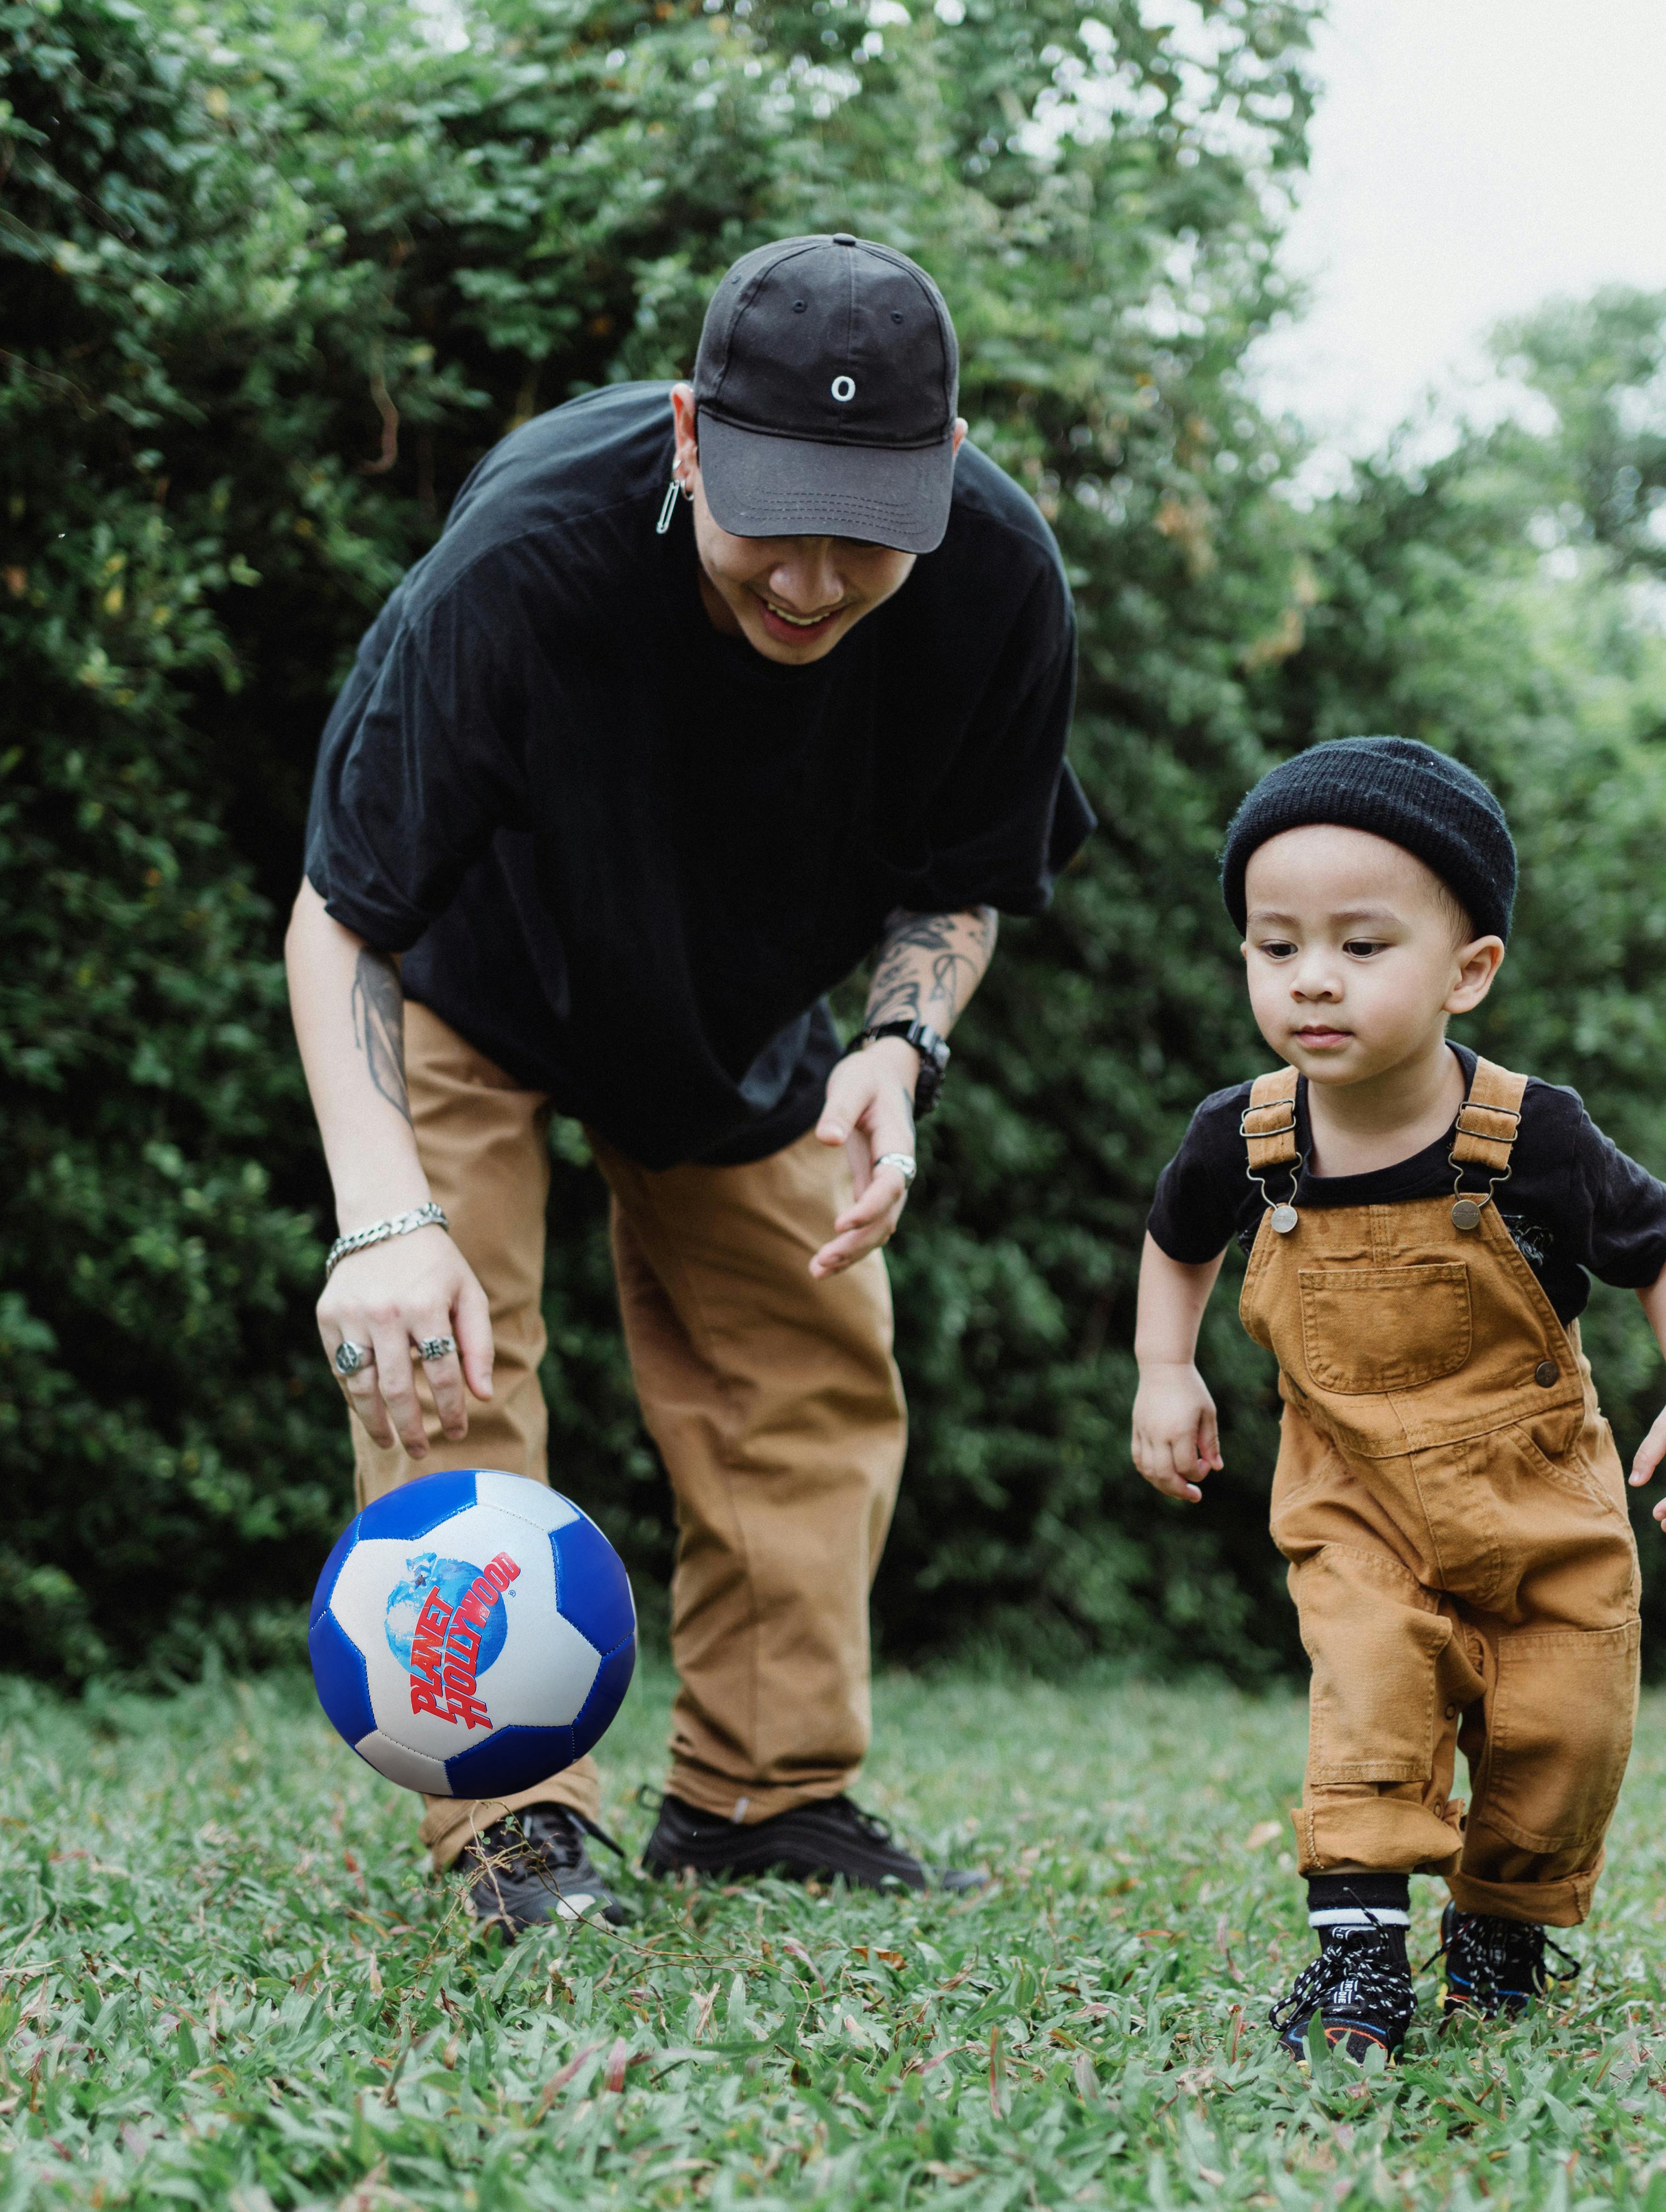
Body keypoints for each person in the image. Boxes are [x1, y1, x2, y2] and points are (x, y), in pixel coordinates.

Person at [288, 233, 1091, 1933]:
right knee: (445, 1369)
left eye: (865, 532)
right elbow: (345, 913)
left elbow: (965, 873)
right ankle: (511, 1823)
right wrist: (381, 1218)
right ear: (684, 437)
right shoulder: (527, 549)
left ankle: (759, 1798)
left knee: (809, 1363)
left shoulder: (1001, 580)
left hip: (736, 1010)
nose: (810, 576)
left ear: (943, 473)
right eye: (771, 516)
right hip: (478, 972)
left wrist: (901, 1042)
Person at [1129, 737, 1666, 2062]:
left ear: (1469, 970)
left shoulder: (1537, 1139)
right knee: (1369, 1692)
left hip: (1540, 1499)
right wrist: (1163, 1372)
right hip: (1352, 1500)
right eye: (1275, 947)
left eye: (1360, 945)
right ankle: (1356, 1969)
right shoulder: (1245, 1137)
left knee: (1563, 1726)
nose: (1313, 981)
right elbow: (1176, 1243)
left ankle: (1500, 1928)